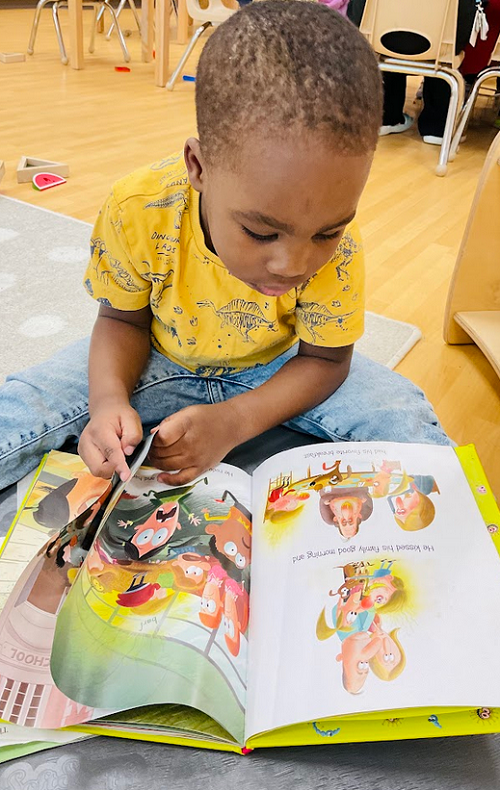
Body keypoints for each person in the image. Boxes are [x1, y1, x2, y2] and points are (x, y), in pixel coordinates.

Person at [0, 1, 451, 496]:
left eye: (326, 233)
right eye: (261, 233)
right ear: (198, 167)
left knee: (409, 424)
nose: (293, 264)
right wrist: (108, 401)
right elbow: (120, 320)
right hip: (156, 352)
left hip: (282, 367)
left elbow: (325, 360)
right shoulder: (139, 207)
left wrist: (235, 421)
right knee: (22, 407)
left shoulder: (340, 248)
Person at [347, 0, 478, 143]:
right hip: (439, 46)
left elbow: (355, 13)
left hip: (381, 41)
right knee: (444, 48)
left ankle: (385, 116)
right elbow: (465, 20)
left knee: (387, 45)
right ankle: (438, 127)